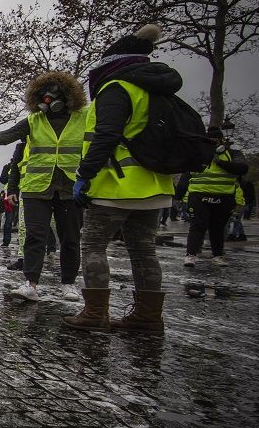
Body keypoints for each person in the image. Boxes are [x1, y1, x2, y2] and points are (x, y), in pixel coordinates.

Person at [64, 24, 177, 333]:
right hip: (152, 184)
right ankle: (148, 316)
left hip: (115, 183)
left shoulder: (117, 88)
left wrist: (84, 175)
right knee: (143, 250)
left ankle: (95, 313)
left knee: (94, 244)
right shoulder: (156, 90)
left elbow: (107, 136)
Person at [0, 70, 87, 302]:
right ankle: (31, 284)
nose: (48, 101)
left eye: (52, 96)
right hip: (37, 188)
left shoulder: (82, 117)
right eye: (43, 97)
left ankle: (69, 283)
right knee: (35, 236)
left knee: (70, 238)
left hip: (70, 187)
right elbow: (12, 134)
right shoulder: (35, 120)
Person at [177, 125, 248, 267]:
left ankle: (218, 256)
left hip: (224, 197)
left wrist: (219, 161)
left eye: (216, 141)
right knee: (197, 225)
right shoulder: (197, 155)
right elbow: (186, 176)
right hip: (199, 195)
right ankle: (191, 255)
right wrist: (177, 197)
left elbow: (242, 168)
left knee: (218, 227)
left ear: (222, 141)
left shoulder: (233, 154)